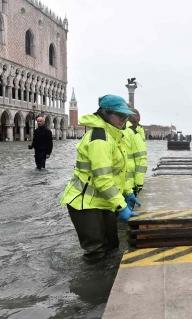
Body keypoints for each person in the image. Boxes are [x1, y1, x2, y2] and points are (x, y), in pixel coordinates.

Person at [59, 95, 140, 261]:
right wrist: (121, 206)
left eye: (126, 116)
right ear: (105, 113)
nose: (124, 120)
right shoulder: (100, 138)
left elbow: (120, 172)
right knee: (96, 252)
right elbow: (103, 179)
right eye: (120, 115)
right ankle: (91, 285)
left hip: (103, 201)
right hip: (85, 205)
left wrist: (127, 191)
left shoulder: (116, 136)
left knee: (112, 246)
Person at [125, 107, 148, 196]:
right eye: (134, 122)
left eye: (138, 122)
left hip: (128, 182)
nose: (136, 124)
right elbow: (141, 159)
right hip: (127, 182)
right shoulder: (132, 132)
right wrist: (139, 184)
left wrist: (138, 183)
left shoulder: (136, 130)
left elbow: (141, 157)